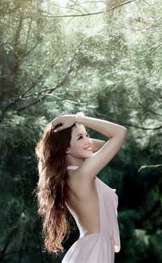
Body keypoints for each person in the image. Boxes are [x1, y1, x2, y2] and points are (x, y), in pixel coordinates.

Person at [35, 112, 127, 262]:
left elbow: (107, 146)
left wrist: (78, 131)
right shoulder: (81, 175)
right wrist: (78, 119)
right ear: (66, 149)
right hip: (94, 251)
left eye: (87, 135)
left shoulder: (72, 176)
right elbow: (119, 133)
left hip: (92, 249)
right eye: (80, 137)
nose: (88, 141)